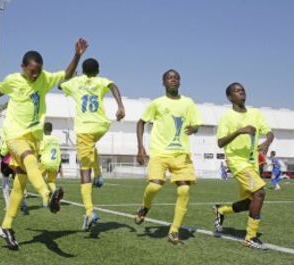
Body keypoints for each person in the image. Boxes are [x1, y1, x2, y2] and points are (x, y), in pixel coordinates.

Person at [0, 38, 88, 250]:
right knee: (29, 159)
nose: (35, 75)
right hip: (14, 136)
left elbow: (66, 75)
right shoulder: (14, 80)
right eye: (31, 71)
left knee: (20, 184)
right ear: (23, 67)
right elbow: (0, 89)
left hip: (34, 138)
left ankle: (5, 226)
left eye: (38, 71)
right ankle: (47, 195)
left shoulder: (44, 78)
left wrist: (77, 55)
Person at [134, 69, 202, 244]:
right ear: (163, 82)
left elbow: (196, 125)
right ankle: (145, 207)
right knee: (155, 187)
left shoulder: (188, 102)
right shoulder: (157, 103)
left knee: (184, 190)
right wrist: (140, 148)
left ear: (180, 82)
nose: (173, 80)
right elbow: (141, 122)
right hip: (159, 152)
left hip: (181, 153)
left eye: (176, 78)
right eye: (169, 78)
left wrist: (194, 129)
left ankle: (174, 230)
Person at [59, 58, 125, 231]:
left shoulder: (75, 82)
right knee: (90, 148)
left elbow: (60, 84)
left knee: (83, 170)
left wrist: (73, 73)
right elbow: (114, 86)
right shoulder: (101, 81)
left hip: (84, 128)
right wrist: (120, 106)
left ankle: (89, 212)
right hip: (101, 126)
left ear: (82, 70)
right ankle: (99, 174)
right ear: (98, 70)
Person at [214, 82, 274, 250]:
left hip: (252, 162)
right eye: (237, 91)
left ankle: (221, 210)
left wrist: (267, 142)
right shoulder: (227, 117)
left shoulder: (255, 113)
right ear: (229, 97)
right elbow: (220, 142)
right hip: (236, 162)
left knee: (249, 202)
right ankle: (250, 237)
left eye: (242, 90)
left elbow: (269, 132)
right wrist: (239, 131)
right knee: (260, 193)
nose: (241, 92)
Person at [39, 122, 63, 194]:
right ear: (51, 130)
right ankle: (55, 192)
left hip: (45, 163)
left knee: (38, 179)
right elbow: (59, 153)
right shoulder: (56, 140)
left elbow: (40, 152)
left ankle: (45, 199)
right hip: (55, 163)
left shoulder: (43, 139)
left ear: (43, 129)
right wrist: (60, 166)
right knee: (51, 181)